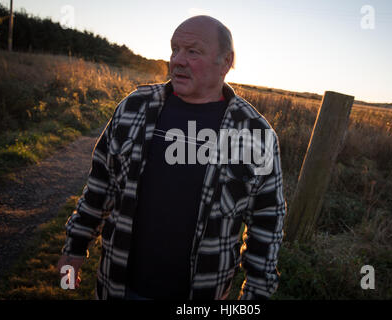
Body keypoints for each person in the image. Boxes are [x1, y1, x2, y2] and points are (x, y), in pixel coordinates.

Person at [57, 15, 287, 300]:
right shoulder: (134, 108)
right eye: (174, 49)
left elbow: (266, 220)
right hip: (118, 286)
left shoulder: (254, 133)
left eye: (193, 51)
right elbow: (99, 186)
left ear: (225, 62)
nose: (178, 59)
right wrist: (75, 247)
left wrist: (256, 293)